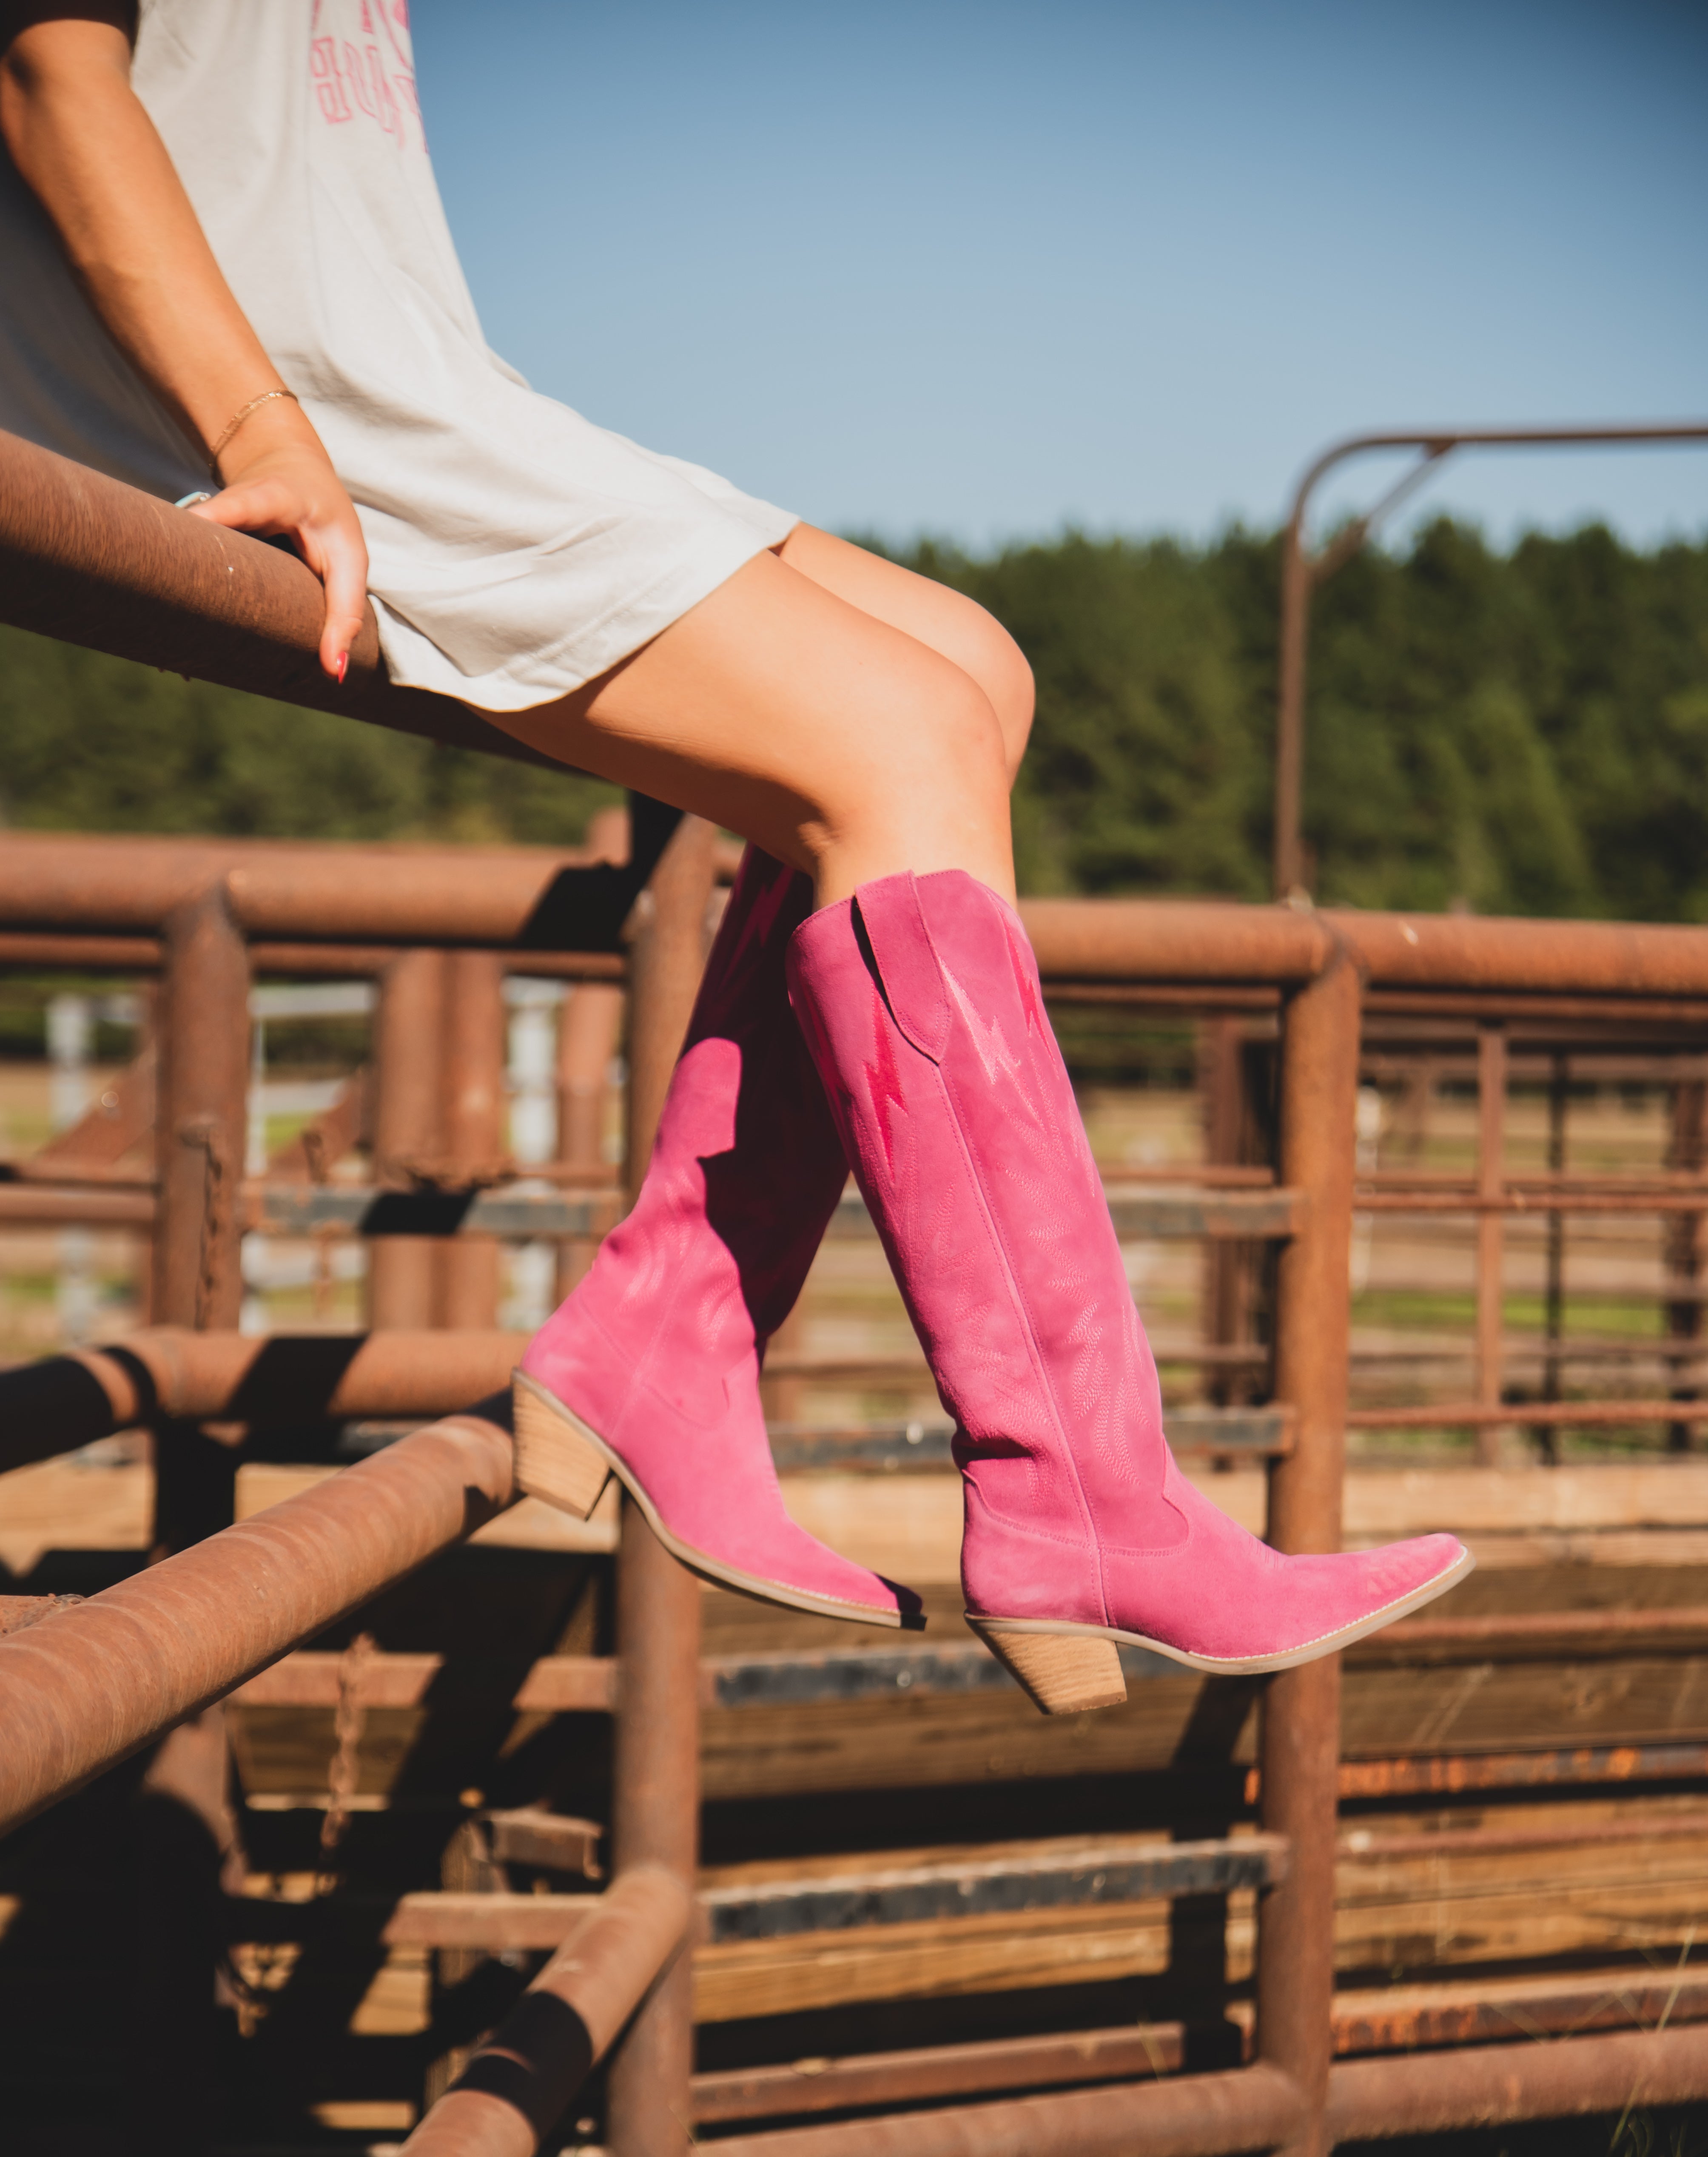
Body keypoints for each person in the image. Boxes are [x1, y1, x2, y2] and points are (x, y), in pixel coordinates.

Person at [0, 2, 1470, 1714]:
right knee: (891, 744)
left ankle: (663, 1338)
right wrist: (258, 430)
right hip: (264, 401)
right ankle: (1076, 1491)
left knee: (972, 670)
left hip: (398, 383)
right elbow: (50, 60)